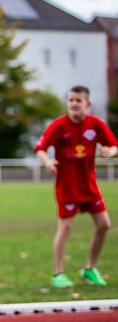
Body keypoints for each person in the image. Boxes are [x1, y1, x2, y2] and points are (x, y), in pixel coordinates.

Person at [35, 85, 118, 289]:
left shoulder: (95, 124)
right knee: (65, 227)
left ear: (88, 104)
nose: (74, 103)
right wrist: (47, 161)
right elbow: (40, 148)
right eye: (71, 100)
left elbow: (113, 145)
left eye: (78, 100)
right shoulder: (58, 125)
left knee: (104, 225)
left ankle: (89, 269)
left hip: (89, 186)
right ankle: (58, 274)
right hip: (67, 187)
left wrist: (112, 151)